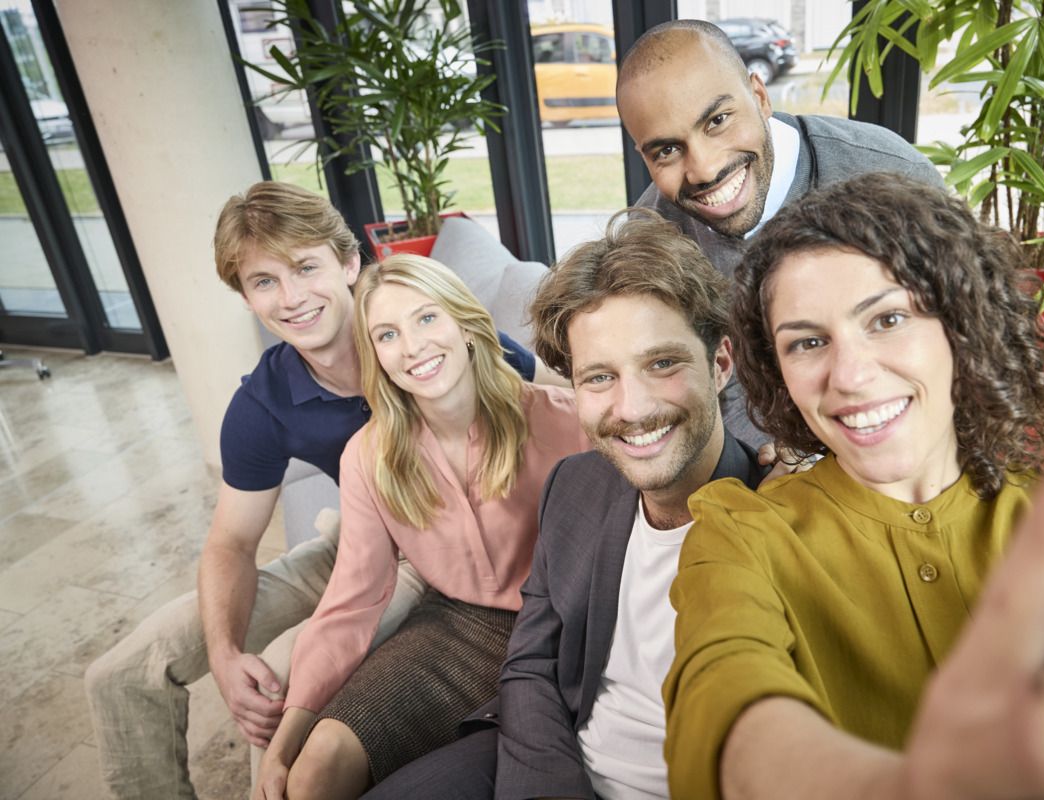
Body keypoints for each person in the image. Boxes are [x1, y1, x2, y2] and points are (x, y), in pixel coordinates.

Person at [663, 173, 1044, 798]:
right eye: (808, 342)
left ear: (959, 324)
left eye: (888, 318)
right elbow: (722, 705)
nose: (852, 375)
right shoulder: (740, 533)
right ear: (778, 370)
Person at [84, 181, 551, 800]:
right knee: (117, 675)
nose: (292, 298)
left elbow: (547, 403)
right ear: (247, 298)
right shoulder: (263, 403)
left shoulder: (419, 332)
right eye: (264, 282)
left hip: (434, 554)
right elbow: (231, 542)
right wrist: (224, 655)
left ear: (349, 263)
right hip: (357, 537)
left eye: (305, 267)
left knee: (278, 679)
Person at [362, 208, 770, 800]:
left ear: (720, 363)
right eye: (599, 378)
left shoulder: (783, 512)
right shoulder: (576, 485)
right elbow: (529, 663)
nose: (632, 408)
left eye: (661, 364)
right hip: (554, 753)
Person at [253, 254, 591, 800]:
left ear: (466, 325)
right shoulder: (369, 456)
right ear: (375, 356)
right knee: (315, 772)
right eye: (387, 334)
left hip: (564, 627)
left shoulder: (569, 419)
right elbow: (351, 601)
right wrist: (286, 742)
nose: (412, 348)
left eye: (427, 319)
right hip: (457, 627)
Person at [617, 19, 943, 445]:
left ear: (759, 95)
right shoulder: (649, 241)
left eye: (717, 120)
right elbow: (692, 384)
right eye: (667, 150)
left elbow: (953, 338)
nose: (705, 169)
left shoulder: (895, 176)